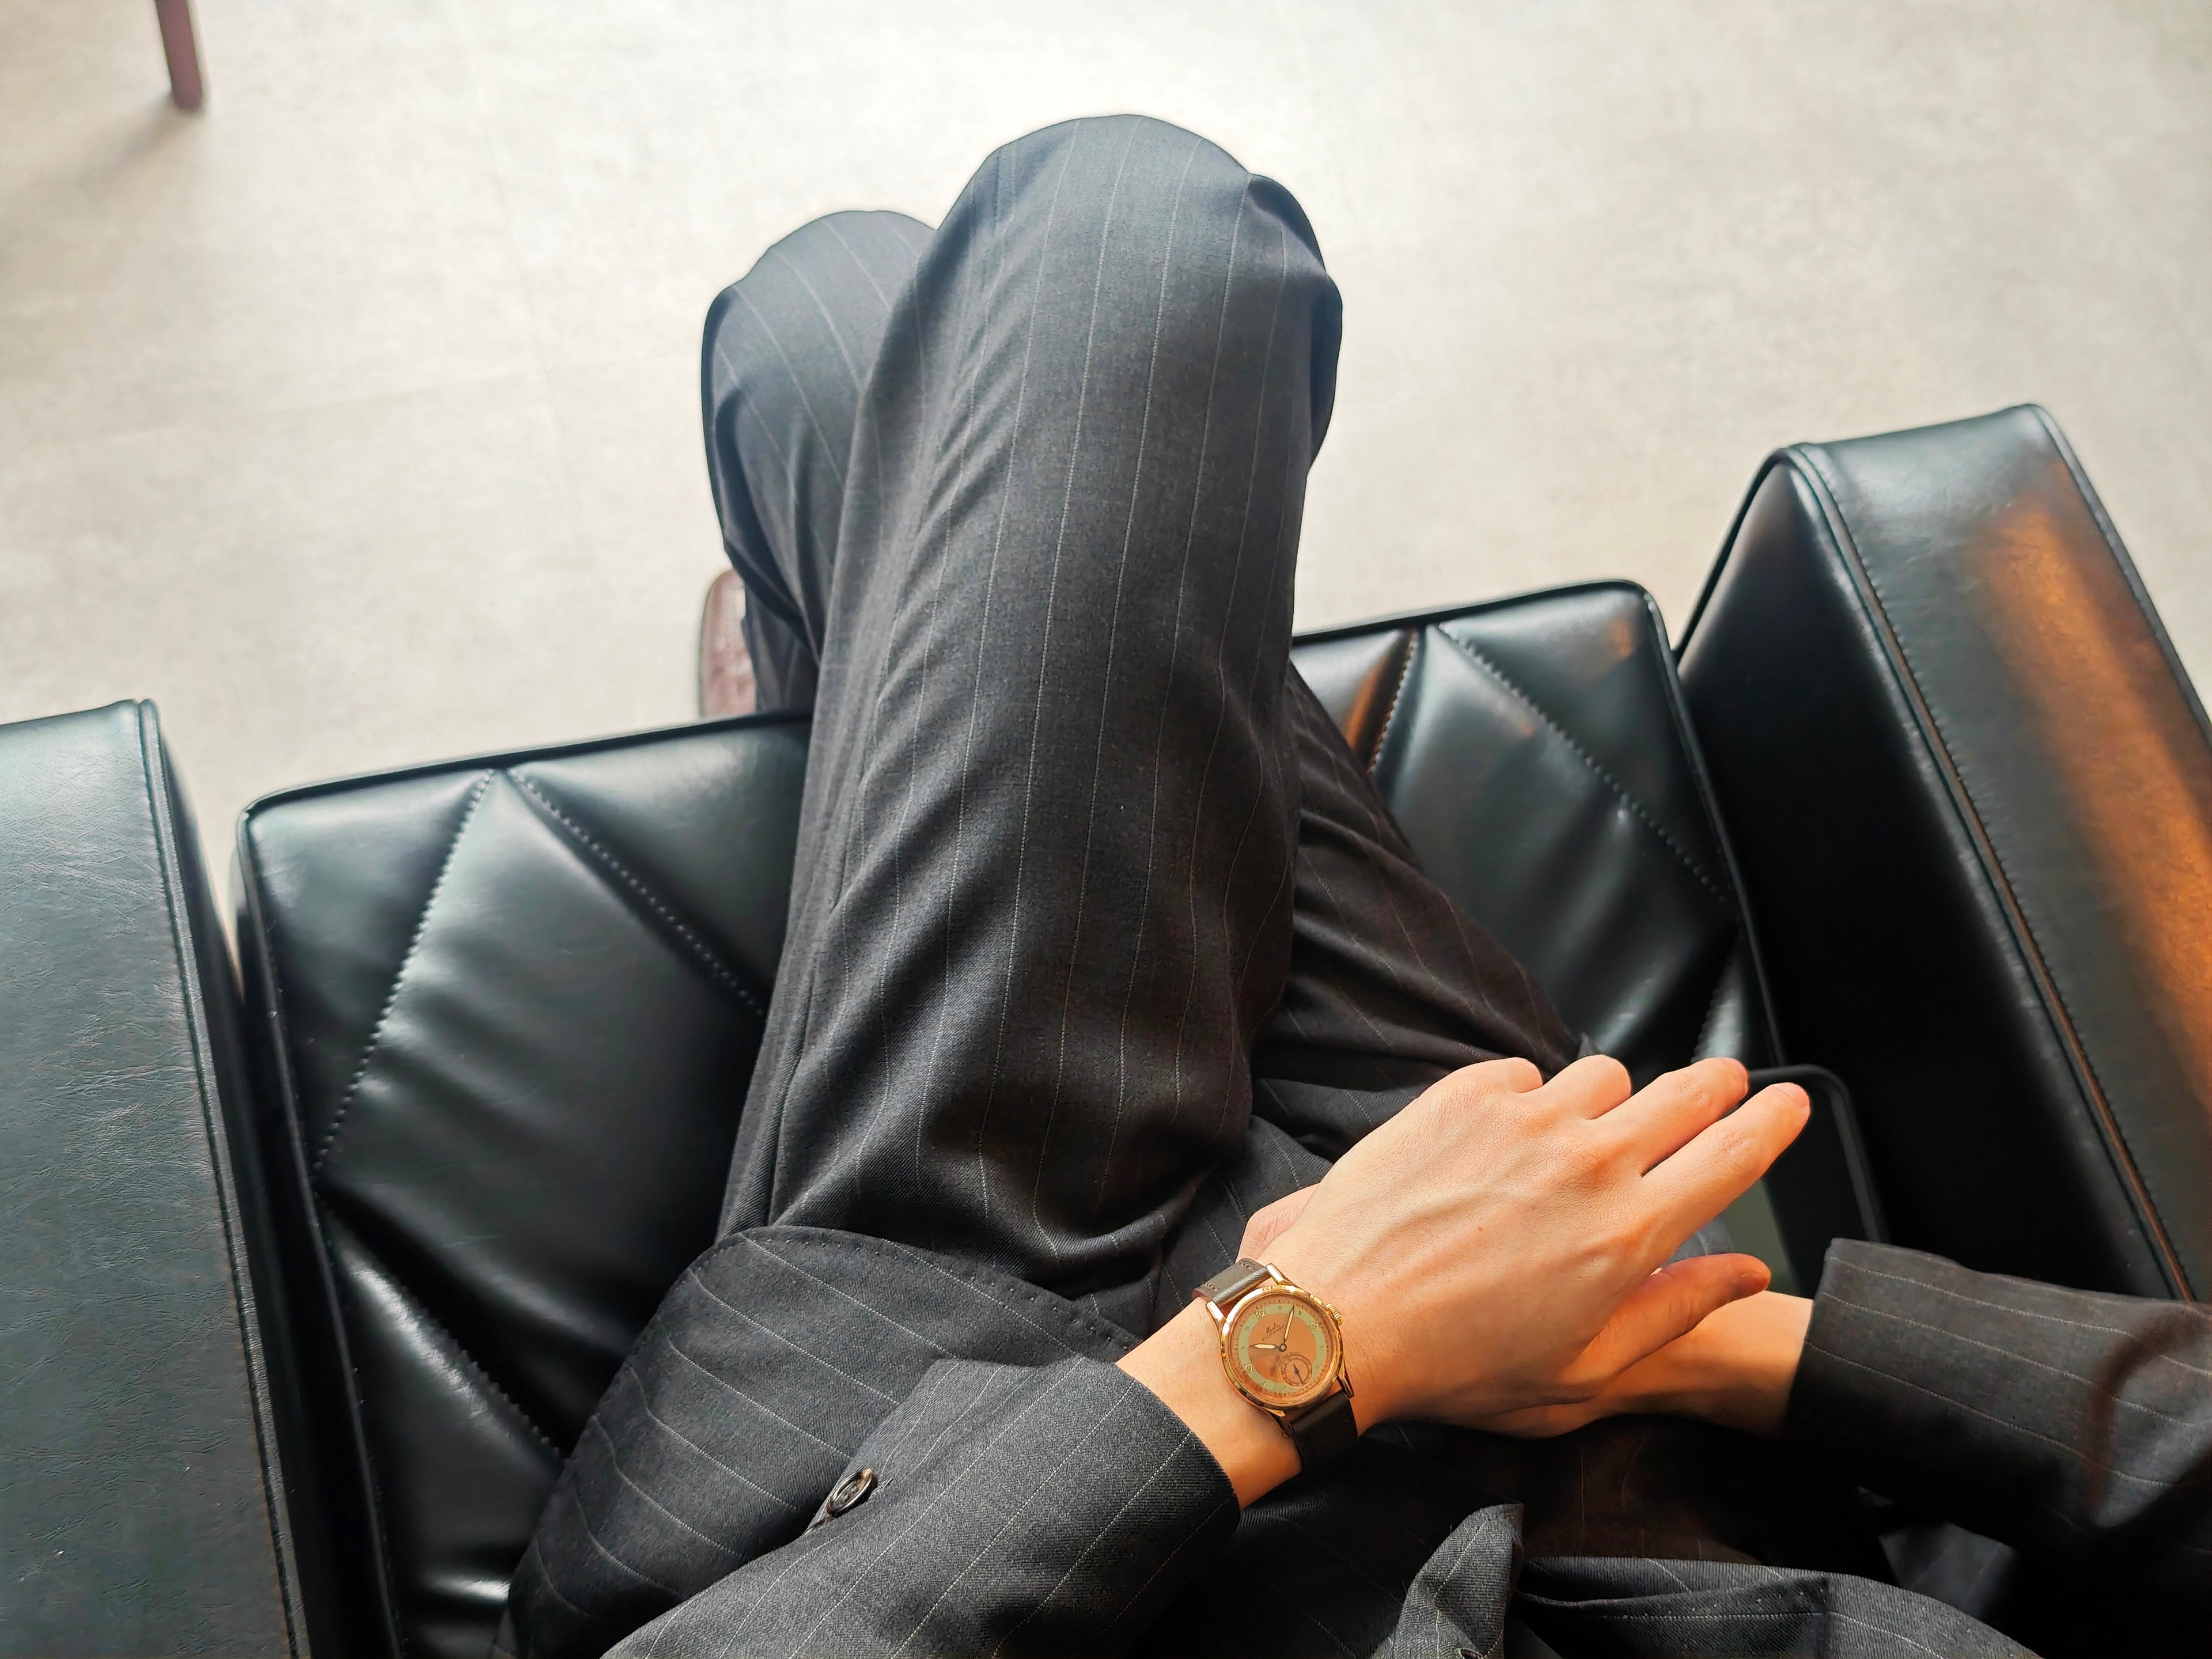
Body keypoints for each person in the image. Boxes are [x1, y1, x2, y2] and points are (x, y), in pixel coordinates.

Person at [498, 116, 2210, 1659]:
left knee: (965, 282)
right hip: (1634, 1506)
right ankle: (839, 688)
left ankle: (833, 698)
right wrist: (1699, 1345)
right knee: (1088, 285)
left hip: (941, 1510)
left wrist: (1308, 1339)